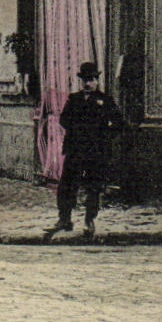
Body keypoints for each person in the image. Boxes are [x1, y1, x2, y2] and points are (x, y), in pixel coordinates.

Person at [47, 62, 124, 239]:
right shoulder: (74, 99)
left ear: (97, 80)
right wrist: (78, 128)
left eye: (91, 80)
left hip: (95, 152)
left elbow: (118, 123)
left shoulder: (105, 101)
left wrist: (104, 137)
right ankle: (64, 218)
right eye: (84, 81)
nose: (87, 84)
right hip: (75, 149)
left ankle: (90, 220)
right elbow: (64, 120)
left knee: (93, 187)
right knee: (67, 185)